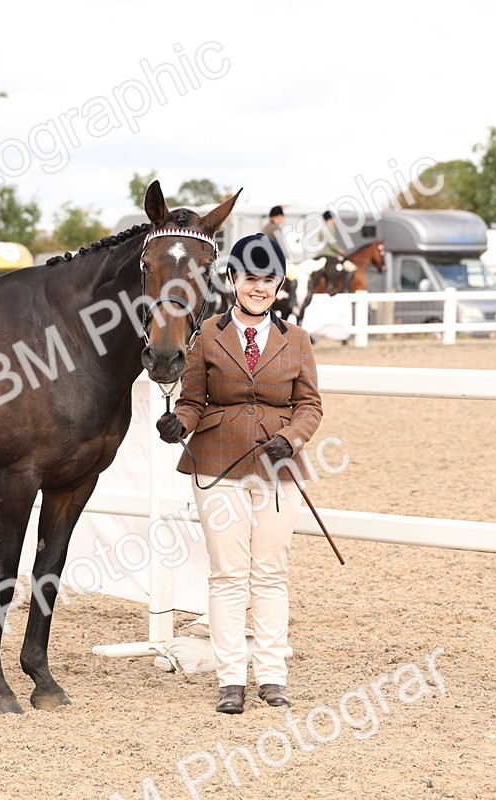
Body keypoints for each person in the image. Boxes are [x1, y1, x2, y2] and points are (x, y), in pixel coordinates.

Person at [155, 233, 323, 714]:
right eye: (251, 278)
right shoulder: (207, 334)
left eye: (269, 280)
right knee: (228, 575)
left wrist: (290, 439)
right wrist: (178, 423)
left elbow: (310, 405)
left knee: (271, 573)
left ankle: (272, 674)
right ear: (233, 279)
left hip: (277, 467)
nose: (259, 288)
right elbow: (192, 401)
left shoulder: (298, 340)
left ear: (278, 285)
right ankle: (231, 677)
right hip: (218, 464)